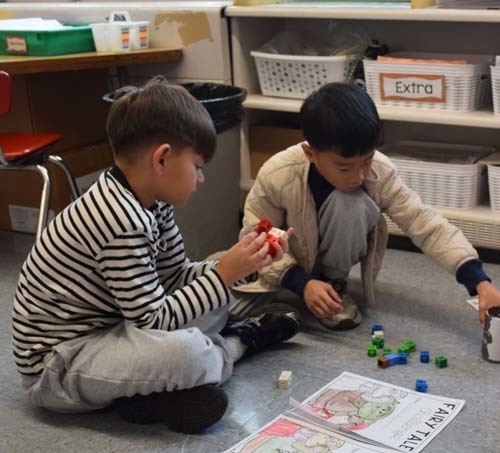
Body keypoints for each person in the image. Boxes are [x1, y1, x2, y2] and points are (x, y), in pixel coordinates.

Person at [12, 78, 300, 434]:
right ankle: (238, 344)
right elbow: (153, 320)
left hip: (116, 328)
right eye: (197, 166)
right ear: (162, 158)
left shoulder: (151, 202)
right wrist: (224, 275)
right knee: (188, 353)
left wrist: (244, 264)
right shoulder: (119, 219)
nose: (201, 179)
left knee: (215, 304)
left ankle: (145, 396)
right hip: (59, 367)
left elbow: (175, 278)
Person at [233, 82, 500, 330]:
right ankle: (305, 288)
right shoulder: (278, 173)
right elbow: (255, 235)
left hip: (331, 257)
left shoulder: (380, 172)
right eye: (344, 167)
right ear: (311, 153)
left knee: (351, 203)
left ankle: (332, 285)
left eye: (366, 161)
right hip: (288, 264)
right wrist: (298, 281)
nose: (359, 175)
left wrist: (481, 283)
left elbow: (426, 225)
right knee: (230, 309)